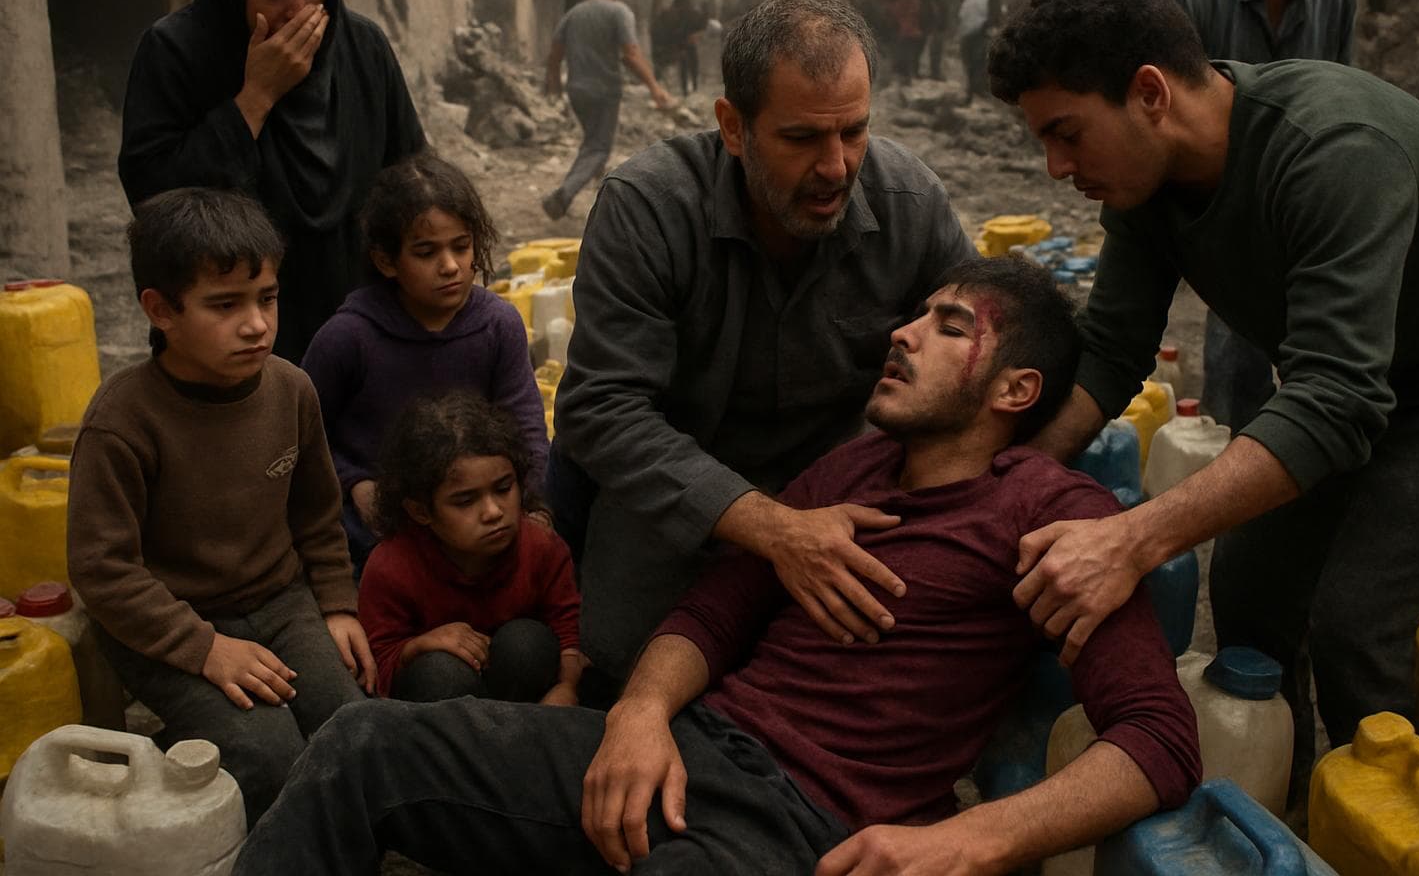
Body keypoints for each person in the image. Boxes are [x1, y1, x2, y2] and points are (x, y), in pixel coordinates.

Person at [232, 257, 1202, 876]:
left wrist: (970, 838)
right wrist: (641, 712)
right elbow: (720, 605)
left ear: (1015, 388)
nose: (901, 332)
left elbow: (1159, 738)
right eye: (917, 314)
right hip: (685, 752)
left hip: (802, 826)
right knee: (365, 745)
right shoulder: (849, 466)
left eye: (949, 325)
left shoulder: (1052, 513)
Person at [987, 0, 1419, 790]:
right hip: (1353, 369)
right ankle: (1290, 801)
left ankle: (1394, 821)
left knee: (1357, 620)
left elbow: (1337, 401)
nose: (1057, 167)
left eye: (1066, 132)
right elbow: (1111, 349)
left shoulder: (1332, 152)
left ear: (1149, 93)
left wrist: (1130, 541)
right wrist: (1012, 478)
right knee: (1249, 584)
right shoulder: (1146, 182)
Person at [547, 0, 976, 688]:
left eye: (855, 132)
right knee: (628, 673)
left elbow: (987, 351)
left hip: (849, 502)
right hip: (677, 507)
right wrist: (774, 530)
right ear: (734, 127)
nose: (836, 167)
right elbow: (603, 411)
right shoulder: (647, 210)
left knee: (880, 681)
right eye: (802, 138)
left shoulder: (910, 204)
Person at [66, 187, 375, 827]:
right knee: (268, 755)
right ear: (161, 310)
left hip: (281, 600)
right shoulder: (122, 421)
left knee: (353, 730)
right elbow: (103, 571)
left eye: (267, 298)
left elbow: (318, 517)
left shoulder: (292, 390)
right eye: (224, 305)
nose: (257, 323)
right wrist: (204, 646)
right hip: (172, 622)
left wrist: (338, 606)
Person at [118, 0, 425, 362]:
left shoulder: (361, 47)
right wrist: (256, 97)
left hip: (361, 328)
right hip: (234, 340)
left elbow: (408, 174)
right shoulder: (178, 52)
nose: (297, 10)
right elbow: (156, 201)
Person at [1161, 0, 1361, 433]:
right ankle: (1227, 463)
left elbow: (1340, 102)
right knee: (1237, 347)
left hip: (1301, 189)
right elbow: (1161, 114)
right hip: (1219, 190)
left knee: (1323, 348)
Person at [301, 150, 548, 572]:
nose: (450, 266)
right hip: (377, 533)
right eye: (426, 252)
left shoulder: (497, 325)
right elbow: (302, 433)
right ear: (386, 261)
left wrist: (533, 507)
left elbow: (525, 425)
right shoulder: (349, 337)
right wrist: (353, 481)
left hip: (477, 520)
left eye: (461, 246)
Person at [356, 391, 582, 704]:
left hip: (525, 700)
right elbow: (376, 665)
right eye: (465, 501)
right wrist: (420, 645)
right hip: (438, 708)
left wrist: (566, 688)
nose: (493, 511)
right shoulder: (391, 566)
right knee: (440, 672)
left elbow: (568, 634)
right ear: (421, 511)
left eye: (504, 488)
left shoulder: (542, 547)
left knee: (527, 644)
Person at [542, 0, 671, 220]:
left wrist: (554, 84)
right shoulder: (619, 11)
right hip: (604, 91)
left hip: (577, 90)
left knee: (593, 141)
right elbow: (631, 54)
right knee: (598, 146)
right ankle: (564, 194)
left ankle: (600, 196)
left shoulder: (574, 12)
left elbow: (555, 53)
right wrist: (654, 86)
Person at [652, 0, 709, 97]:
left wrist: (694, 36)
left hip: (682, 42)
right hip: (673, 43)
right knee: (685, 61)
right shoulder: (671, 15)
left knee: (689, 60)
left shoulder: (689, 14)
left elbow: (700, 26)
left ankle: (690, 89)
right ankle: (686, 89)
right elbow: (667, 34)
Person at [957, 0, 998, 103]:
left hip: (965, 33)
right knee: (980, 62)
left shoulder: (967, 0)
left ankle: (970, 88)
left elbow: (961, 15)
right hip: (980, 32)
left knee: (968, 63)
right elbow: (994, 16)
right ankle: (978, 89)